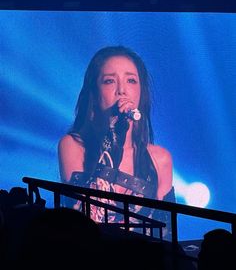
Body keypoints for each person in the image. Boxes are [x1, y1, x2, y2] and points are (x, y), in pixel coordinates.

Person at [58, 45, 175, 239]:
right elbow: (84, 214)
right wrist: (114, 134)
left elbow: (166, 232)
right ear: (94, 94)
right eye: (109, 81)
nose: (122, 90)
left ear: (141, 92)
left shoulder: (160, 158)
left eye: (131, 80)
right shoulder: (73, 146)